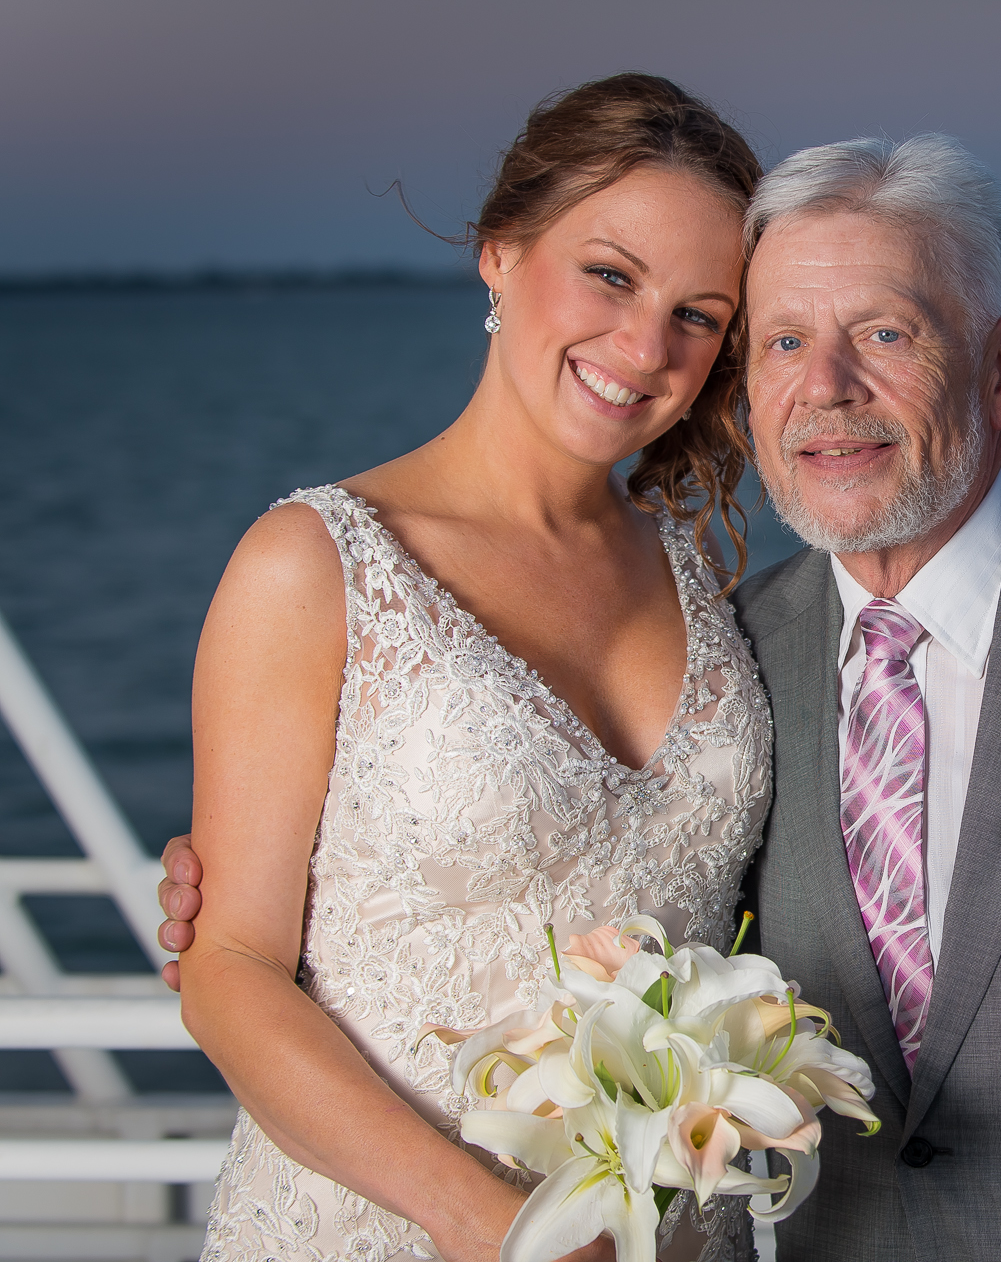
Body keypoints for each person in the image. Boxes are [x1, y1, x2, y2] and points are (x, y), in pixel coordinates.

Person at [164, 132, 1001, 1259]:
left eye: (884, 332)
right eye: (785, 339)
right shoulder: (746, 649)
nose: (828, 389)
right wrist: (245, 896)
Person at [165, 74, 770, 1262]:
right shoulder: (317, 566)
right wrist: (495, 1230)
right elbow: (228, 970)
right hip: (383, 1232)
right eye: (611, 274)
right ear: (500, 254)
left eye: (700, 314)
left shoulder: (707, 584)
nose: (645, 346)